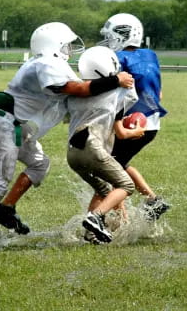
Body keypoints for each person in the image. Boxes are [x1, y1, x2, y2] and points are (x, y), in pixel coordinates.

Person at [0, 22, 134, 249]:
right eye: (67, 44)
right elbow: (79, 90)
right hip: (3, 123)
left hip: (13, 125)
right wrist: (116, 80)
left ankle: (6, 209)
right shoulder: (47, 63)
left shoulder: (46, 63)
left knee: (39, 164)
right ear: (55, 44)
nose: (70, 49)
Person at [66, 46, 145, 244]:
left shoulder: (75, 93)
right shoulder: (119, 91)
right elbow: (131, 94)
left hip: (72, 153)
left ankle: (91, 233)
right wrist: (136, 131)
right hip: (92, 147)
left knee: (103, 190)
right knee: (125, 184)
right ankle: (96, 217)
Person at [99, 13, 170, 221]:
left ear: (125, 35)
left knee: (111, 169)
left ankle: (122, 219)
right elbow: (159, 92)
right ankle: (152, 199)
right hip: (152, 122)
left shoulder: (119, 58)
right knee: (120, 162)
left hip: (131, 121)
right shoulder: (150, 54)